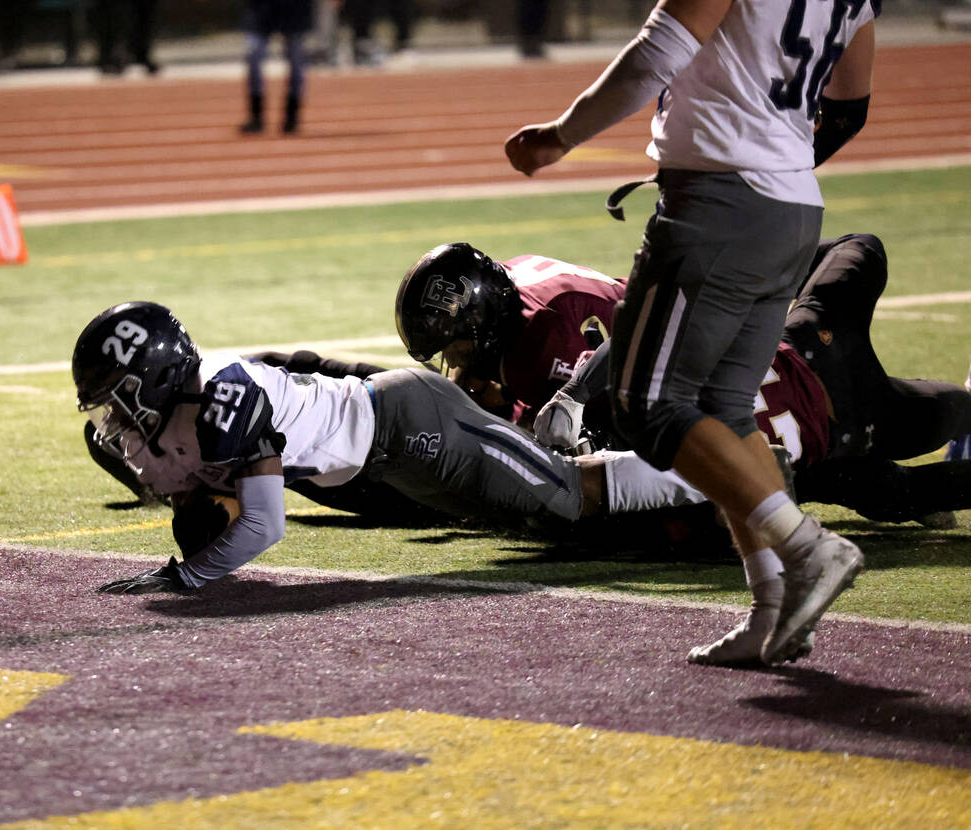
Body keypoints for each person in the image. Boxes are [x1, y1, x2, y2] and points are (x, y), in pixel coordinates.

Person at [504, 0, 879, 666]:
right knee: (723, 411)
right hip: (789, 204)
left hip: (721, 203)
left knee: (648, 405)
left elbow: (655, 54)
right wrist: (775, 161)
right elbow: (849, 106)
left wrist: (559, 136)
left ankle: (806, 547)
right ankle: (772, 605)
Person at [73, 302, 709, 595]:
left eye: (116, 397)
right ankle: (707, 488)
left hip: (410, 422)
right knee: (541, 506)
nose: (114, 418)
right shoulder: (188, 407)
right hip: (387, 456)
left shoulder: (224, 401)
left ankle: (731, 473)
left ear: (151, 378)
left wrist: (188, 576)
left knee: (568, 496)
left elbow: (265, 527)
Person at [395, 242, 626, 430]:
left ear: (479, 319)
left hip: (646, 384)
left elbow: (582, 429)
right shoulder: (502, 285)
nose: (453, 362)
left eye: (456, 348)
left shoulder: (536, 345)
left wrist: (517, 413)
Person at [239, 0, 312, 134]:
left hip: (295, 9)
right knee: (254, 56)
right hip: (261, 9)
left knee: (296, 62)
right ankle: (256, 117)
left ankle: (292, 117)